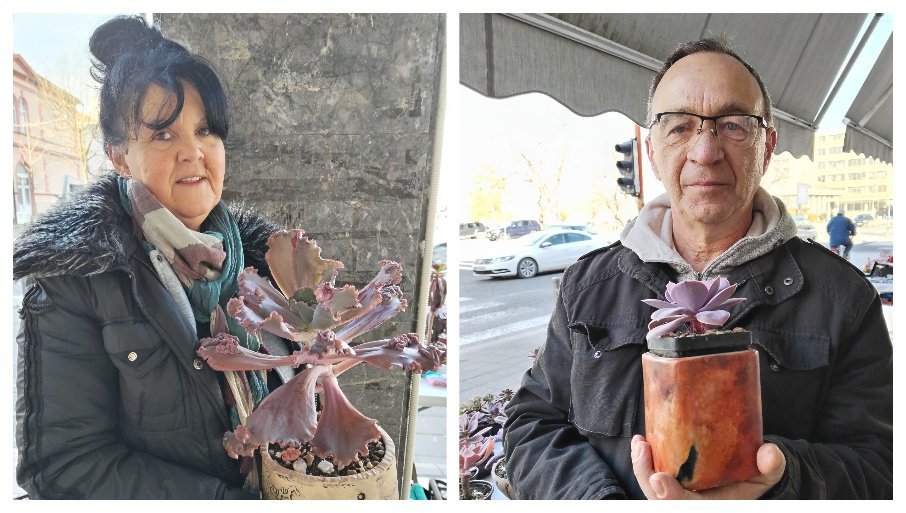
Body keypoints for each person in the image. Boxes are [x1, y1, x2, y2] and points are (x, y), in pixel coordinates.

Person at [503, 38, 892, 500]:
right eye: (678, 126)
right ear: (651, 149)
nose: (705, 151)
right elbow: (533, 424)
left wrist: (784, 479)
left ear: (766, 148)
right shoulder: (588, 285)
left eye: (733, 125)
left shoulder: (842, 298)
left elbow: (880, 464)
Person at [14, 16, 282, 499]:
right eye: (163, 135)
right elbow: (62, 467)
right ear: (119, 155)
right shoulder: (76, 277)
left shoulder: (263, 262)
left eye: (206, 131)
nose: (193, 153)